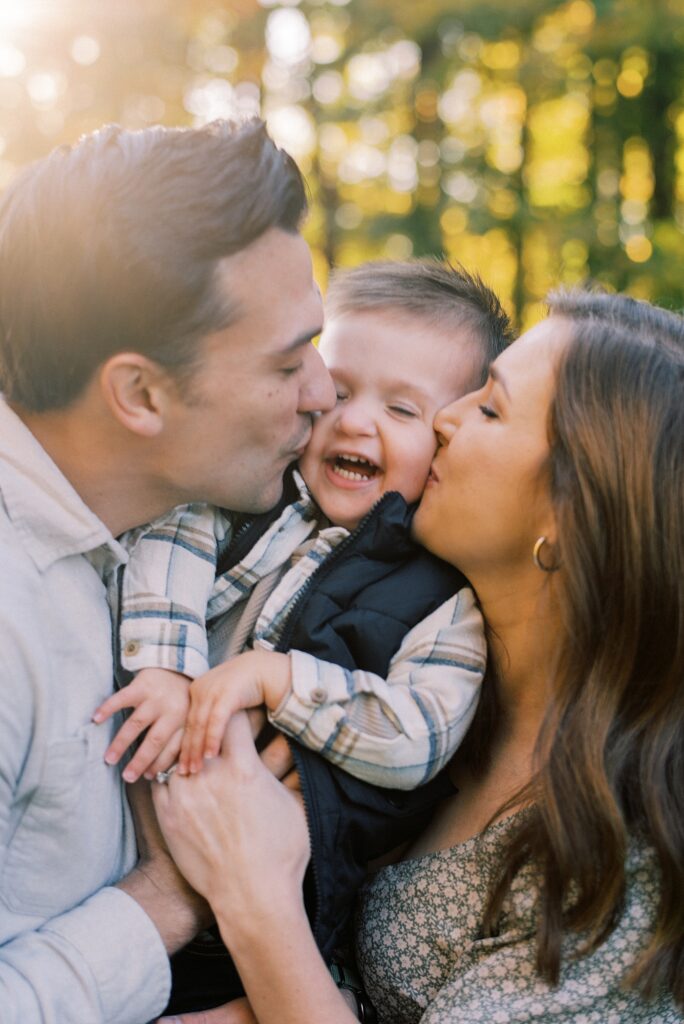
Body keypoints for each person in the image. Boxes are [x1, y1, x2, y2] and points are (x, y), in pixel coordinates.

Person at [153, 289, 684, 1023]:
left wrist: (254, 895)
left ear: (570, 516)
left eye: (489, 407)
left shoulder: (617, 877)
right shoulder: (424, 680)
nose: (444, 417)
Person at [95, 260, 512, 1015]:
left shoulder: (444, 597)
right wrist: (166, 667)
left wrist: (277, 679)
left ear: (449, 441)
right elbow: (168, 535)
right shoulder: (254, 490)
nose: (354, 421)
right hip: (126, 816)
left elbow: (420, 732)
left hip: (279, 907)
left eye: (403, 410)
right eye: (340, 389)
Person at [0, 118, 336, 1023]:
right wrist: (175, 899)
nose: (324, 392)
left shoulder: (150, 528)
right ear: (140, 395)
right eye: (286, 360)